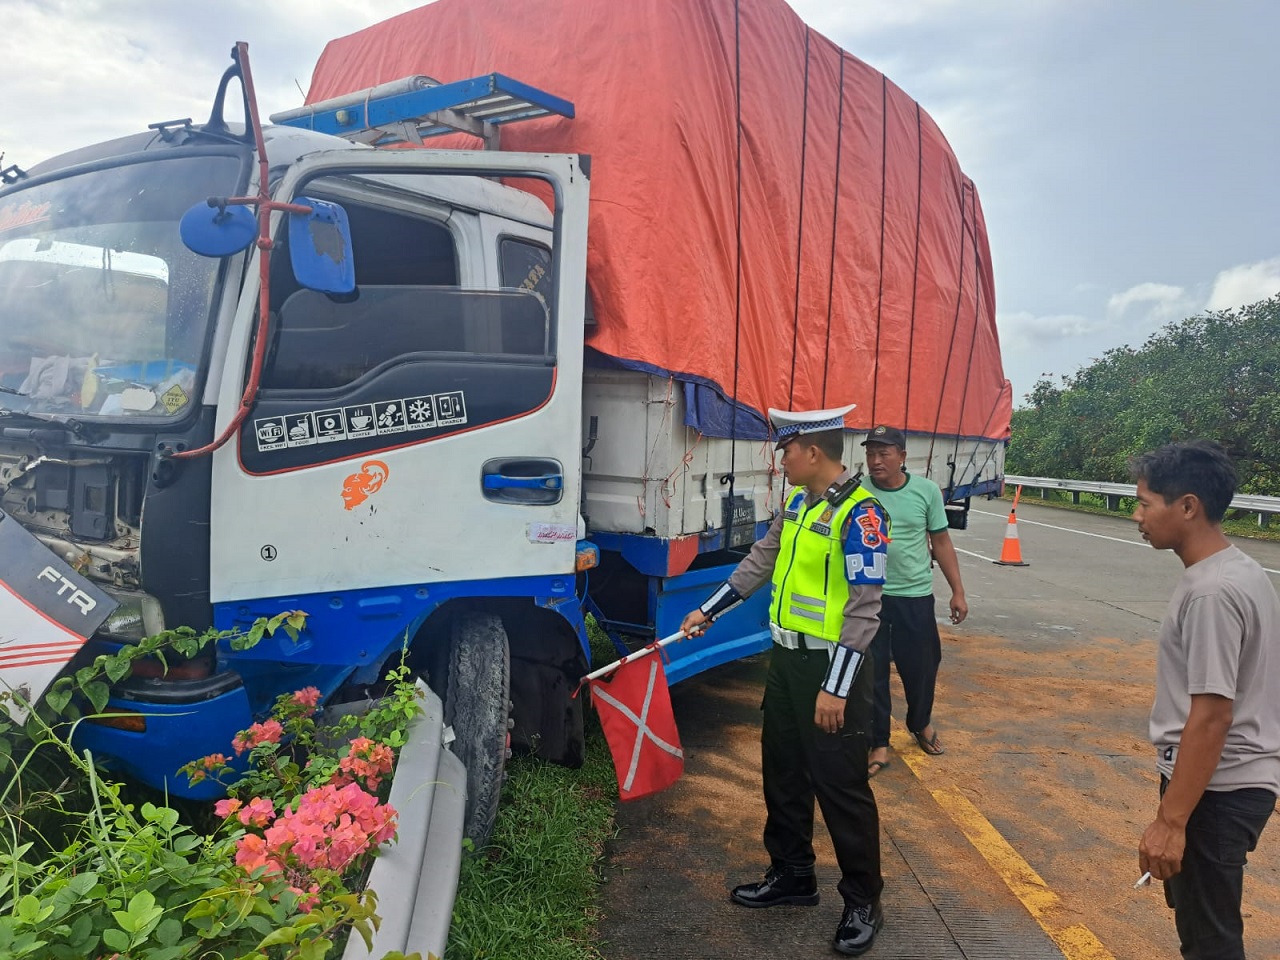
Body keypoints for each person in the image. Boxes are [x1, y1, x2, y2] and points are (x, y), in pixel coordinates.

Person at [680, 404, 891, 957]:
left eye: (787, 451)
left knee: (842, 787)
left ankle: (863, 899)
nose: (782, 461)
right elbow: (758, 562)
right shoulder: (797, 504)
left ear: (814, 452)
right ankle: (793, 875)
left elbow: (866, 609)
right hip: (788, 664)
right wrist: (709, 610)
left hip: (833, 669)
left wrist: (837, 687)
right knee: (784, 772)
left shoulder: (862, 515)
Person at [1131, 440, 1279, 960]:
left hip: (1218, 788)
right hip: (1224, 780)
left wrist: (1171, 821)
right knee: (1203, 927)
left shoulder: (1212, 592)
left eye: (1147, 503)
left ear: (1188, 506)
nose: (1137, 515)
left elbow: (1213, 715)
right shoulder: (1236, 570)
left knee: (1210, 940)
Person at [859, 425, 967, 777]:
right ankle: (878, 741)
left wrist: (958, 591)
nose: (876, 461)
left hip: (914, 595)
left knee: (921, 666)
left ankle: (920, 722)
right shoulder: (857, 492)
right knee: (871, 672)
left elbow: (941, 542)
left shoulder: (926, 492)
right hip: (870, 596)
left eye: (884, 454)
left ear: (902, 457)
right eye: (871, 454)